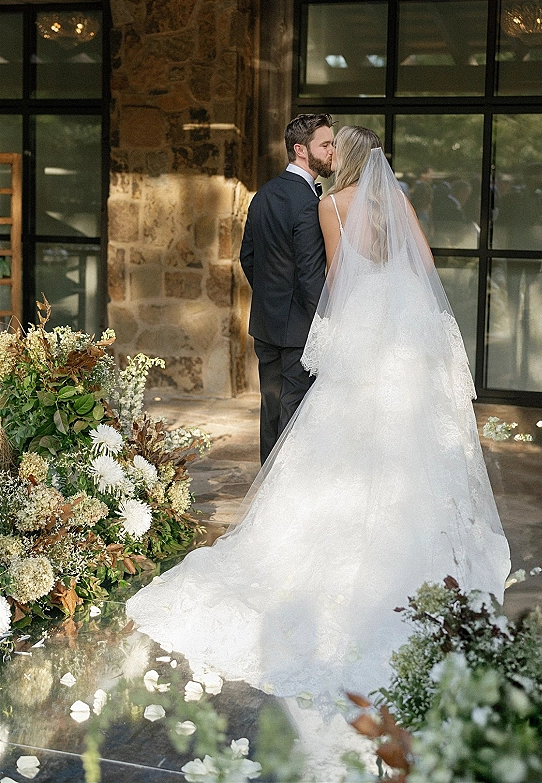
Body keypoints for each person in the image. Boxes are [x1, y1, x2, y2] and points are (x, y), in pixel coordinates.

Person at [126, 126, 510, 703]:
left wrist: (334, 336)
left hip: (364, 320)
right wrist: (425, 318)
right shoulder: (398, 200)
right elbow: (427, 266)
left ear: (345, 160)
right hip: (406, 323)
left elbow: (334, 279)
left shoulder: (331, 203)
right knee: (409, 434)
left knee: (341, 431)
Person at [239, 113, 334, 464]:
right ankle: (280, 500)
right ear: (300, 150)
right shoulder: (309, 204)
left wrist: (270, 299)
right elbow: (311, 276)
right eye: (325, 144)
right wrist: (326, 323)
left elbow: (247, 258)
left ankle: (265, 491)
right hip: (299, 330)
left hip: (265, 324)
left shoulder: (263, 194)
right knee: (294, 416)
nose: (331, 151)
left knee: (271, 410)